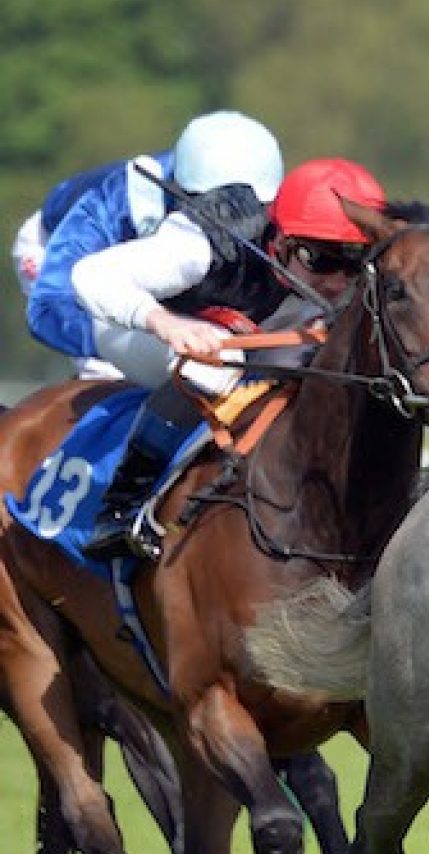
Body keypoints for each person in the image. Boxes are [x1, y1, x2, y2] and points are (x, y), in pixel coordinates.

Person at [67, 151, 390, 562]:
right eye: (322, 259)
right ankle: (119, 507)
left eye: (355, 263)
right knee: (212, 370)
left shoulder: (338, 273)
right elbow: (89, 275)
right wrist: (167, 324)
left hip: (252, 339)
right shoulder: (205, 246)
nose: (338, 281)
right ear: (281, 240)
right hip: (134, 331)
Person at [24, 111, 284, 383]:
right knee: (112, 372)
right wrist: (155, 328)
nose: (228, 217)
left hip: (133, 268)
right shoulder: (115, 203)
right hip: (55, 253)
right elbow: (47, 310)